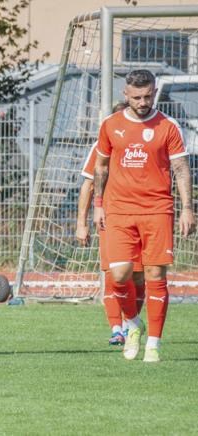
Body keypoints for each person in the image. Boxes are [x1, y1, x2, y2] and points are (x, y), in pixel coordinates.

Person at [92, 69, 195, 362]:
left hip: (157, 209)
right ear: (126, 94)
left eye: (148, 96)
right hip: (119, 209)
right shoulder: (111, 124)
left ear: (153, 92)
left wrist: (188, 208)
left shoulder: (168, 126)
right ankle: (134, 324)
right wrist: (98, 204)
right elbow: (101, 167)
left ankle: (153, 344)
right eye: (137, 97)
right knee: (120, 273)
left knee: (155, 274)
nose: (143, 102)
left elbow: (181, 169)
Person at [76, 101, 146, 346]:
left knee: (138, 275)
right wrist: (81, 223)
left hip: (142, 216)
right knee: (112, 273)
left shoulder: (145, 142)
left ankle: (131, 325)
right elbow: (88, 184)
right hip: (110, 217)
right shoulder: (101, 144)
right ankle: (117, 329)